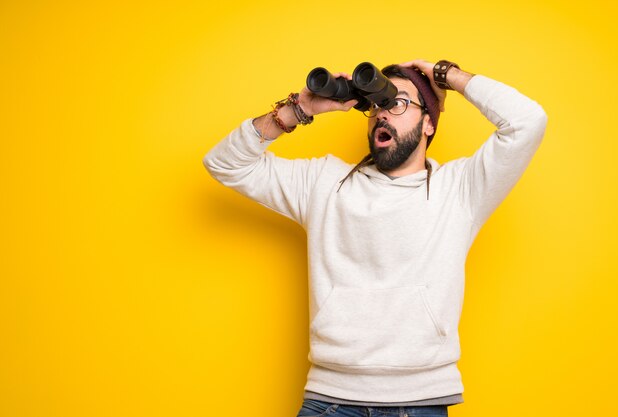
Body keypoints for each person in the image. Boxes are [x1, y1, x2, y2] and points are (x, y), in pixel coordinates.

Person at [203, 58, 547, 417]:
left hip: (421, 402)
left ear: (429, 122)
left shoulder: (461, 189)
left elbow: (527, 121)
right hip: (330, 401)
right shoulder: (324, 183)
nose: (383, 114)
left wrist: (448, 76)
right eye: (377, 105)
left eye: (398, 103)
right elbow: (225, 163)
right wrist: (299, 109)